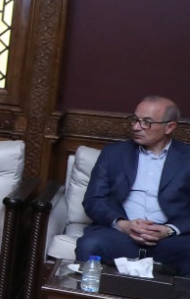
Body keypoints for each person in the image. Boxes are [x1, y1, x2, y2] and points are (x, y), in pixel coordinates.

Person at [74, 96, 190, 274]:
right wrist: (123, 225)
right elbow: (93, 200)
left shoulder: (186, 158)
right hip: (120, 235)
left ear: (169, 127)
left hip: (170, 240)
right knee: (89, 244)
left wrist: (168, 230)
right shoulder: (113, 154)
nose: (136, 127)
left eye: (147, 122)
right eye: (135, 120)